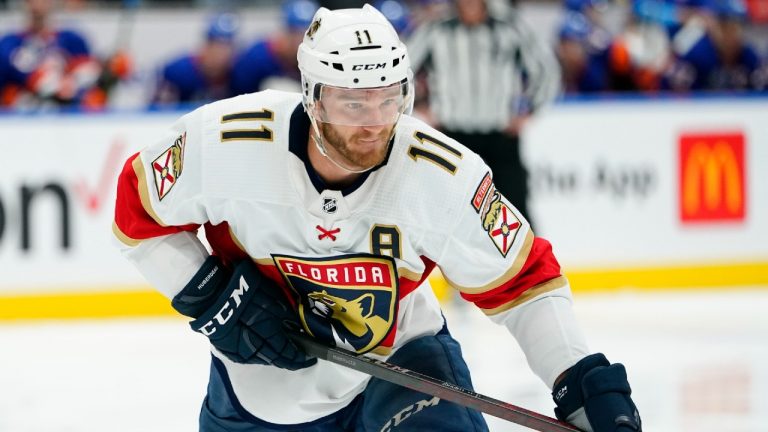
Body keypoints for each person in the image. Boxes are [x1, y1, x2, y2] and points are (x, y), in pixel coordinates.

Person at [113, 5, 641, 432]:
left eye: (389, 101)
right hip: (261, 390)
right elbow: (135, 208)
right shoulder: (225, 140)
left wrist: (579, 374)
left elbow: (525, 282)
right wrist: (209, 294)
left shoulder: (440, 174)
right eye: (353, 105)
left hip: (405, 364)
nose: (374, 125)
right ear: (312, 99)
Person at [406, 0, 561, 228]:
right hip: (453, 137)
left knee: (515, 209)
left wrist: (530, 110)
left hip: (501, 136)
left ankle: (529, 264)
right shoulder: (436, 28)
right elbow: (404, 67)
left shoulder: (509, 27)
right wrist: (420, 104)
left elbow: (546, 70)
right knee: (449, 210)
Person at [0, 0, 104, 110]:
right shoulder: (10, 43)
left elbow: (89, 77)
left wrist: (70, 85)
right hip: (23, 119)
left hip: (69, 118)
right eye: (31, 1)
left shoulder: (72, 39)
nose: (37, 6)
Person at [150, 12, 240, 108]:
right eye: (215, 44)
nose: (221, 52)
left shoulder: (239, 74)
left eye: (227, 46)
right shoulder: (179, 71)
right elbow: (159, 113)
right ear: (205, 46)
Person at [229, 0, 319, 95]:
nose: (301, 39)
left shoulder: (320, 58)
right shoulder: (256, 59)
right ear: (284, 32)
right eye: (295, 32)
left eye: (309, 34)